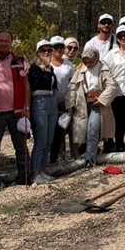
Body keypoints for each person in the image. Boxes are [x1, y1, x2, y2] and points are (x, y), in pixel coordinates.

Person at [0, 31, 31, 189]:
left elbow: (26, 86)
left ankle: (24, 176)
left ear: (11, 43)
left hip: (16, 111)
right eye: (0, 41)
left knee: (21, 146)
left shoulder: (20, 61)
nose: (3, 43)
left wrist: (27, 107)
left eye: (7, 41)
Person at [67, 46, 116, 166]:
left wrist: (102, 99)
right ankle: (84, 154)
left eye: (91, 61)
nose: (88, 64)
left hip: (97, 103)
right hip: (83, 102)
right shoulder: (81, 69)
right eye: (86, 61)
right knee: (82, 130)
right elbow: (72, 86)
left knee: (93, 129)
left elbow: (112, 86)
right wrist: (71, 103)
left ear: (96, 58)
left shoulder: (103, 69)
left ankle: (90, 158)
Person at [26, 41, 59, 183]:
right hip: (39, 101)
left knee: (49, 139)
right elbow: (38, 82)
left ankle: (43, 169)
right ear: (38, 52)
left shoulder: (50, 68)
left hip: (51, 100)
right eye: (43, 50)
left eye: (49, 50)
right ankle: (35, 171)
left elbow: (54, 85)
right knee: (41, 138)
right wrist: (46, 68)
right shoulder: (33, 68)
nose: (46, 53)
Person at [48, 36, 74, 164]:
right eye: (55, 47)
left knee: (60, 133)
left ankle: (56, 159)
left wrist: (68, 102)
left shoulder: (69, 65)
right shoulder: (46, 64)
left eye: (61, 46)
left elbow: (72, 84)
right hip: (48, 104)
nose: (58, 49)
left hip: (63, 104)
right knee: (48, 133)